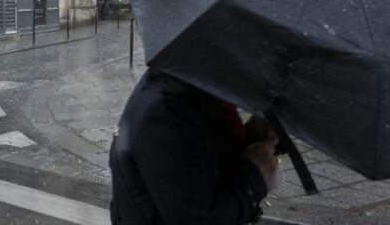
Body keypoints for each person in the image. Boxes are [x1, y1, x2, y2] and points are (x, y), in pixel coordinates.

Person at [109, 68, 280, 225]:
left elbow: (204, 161)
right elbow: (196, 218)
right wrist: (252, 177)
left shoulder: (193, 88)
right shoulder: (165, 117)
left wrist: (253, 138)